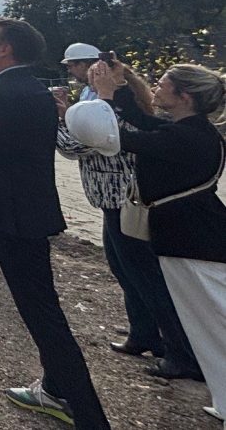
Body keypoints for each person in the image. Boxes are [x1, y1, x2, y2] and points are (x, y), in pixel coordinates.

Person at [0, 18, 110, 429]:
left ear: (5, 48)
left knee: (42, 313)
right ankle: (56, 387)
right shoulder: (32, 89)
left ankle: (87, 413)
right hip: (28, 208)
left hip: (9, 214)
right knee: (40, 307)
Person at [87, 60, 226, 422]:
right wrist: (117, 93)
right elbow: (143, 121)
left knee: (216, 318)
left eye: (163, 84)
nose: (156, 88)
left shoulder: (186, 136)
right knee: (204, 322)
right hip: (190, 236)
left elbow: (117, 139)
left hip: (197, 241)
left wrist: (103, 97)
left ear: (184, 96)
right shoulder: (188, 128)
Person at [55, 44, 200, 382]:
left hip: (124, 199)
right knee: (125, 270)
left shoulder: (112, 103)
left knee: (144, 276)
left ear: (95, 68)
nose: (71, 71)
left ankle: (179, 351)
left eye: (76, 65)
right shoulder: (112, 99)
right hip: (114, 199)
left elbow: (77, 144)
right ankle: (144, 332)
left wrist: (61, 120)